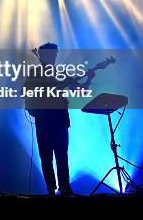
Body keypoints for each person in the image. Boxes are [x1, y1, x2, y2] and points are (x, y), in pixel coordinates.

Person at [25, 42, 94, 196]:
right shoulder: (35, 72)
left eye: (55, 54)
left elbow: (81, 91)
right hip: (43, 119)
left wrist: (89, 79)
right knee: (46, 157)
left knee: (62, 156)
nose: (54, 57)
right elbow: (27, 93)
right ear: (43, 55)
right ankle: (51, 189)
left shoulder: (60, 72)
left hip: (60, 119)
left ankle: (65, 188)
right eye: (51, 54)